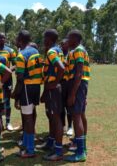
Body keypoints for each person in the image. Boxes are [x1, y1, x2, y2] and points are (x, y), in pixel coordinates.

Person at [11, 30, 43, 158]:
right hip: (36, 87)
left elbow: (20, 78)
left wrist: (14, 94)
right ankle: (26, 142)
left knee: (28, 118)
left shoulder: (21, 55)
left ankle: (30, 150)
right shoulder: (35, 51)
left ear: (20, 40)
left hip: (26, 88)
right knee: (31, 114)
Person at [64, 30, 90, 162]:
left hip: (77, 84)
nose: (67, 40)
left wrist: (72, 94)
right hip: (79, 85)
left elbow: (79, 73)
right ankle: (83, 147)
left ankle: (80, 152)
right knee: (80, 115)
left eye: (69, 37)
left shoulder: (78, 50)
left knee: (76, 116)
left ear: (75, 38)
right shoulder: (74, 50)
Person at [40, 29, 65, 161]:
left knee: (56, 118)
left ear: (48, 38)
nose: (43, 40)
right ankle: (51, 143)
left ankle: (59, 151)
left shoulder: (51, 51)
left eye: (44, 38)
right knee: (52, 116)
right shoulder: (58, 50)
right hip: (52, 89)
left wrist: (54, 83)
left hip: (54, 89)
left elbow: (61, 68)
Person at [0, 33, 17, 131]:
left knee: (7, 101)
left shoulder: (10, 50)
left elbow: (16, 64)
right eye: (0, 37)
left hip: (7, 79)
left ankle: (8, 122)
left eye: (3, 37)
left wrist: (7, 70)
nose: (2, 39)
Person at [60, 38, 73, 137]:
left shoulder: (71, 54)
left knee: (69, 106)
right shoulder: (58, 54)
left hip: (68, 83)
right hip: (60, 83)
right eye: (62, 44)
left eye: (65, 44)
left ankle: (70, 127)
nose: (63, 46)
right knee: (61, 106)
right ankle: (63, 126)